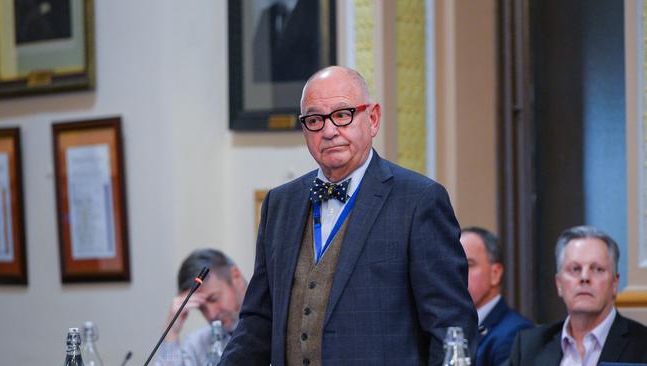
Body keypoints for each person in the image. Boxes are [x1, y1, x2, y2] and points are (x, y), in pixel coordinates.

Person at [220, 66, 477, 366]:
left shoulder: (419, 200)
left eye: (342, 114)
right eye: (315, 120)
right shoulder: (280, 204)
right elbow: (258, 321)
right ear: (304, 129)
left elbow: (450, 327)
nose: (329, 131)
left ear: (373, 119)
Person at [507, 225, 647, 365]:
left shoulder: (642, 346)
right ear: (559, 284)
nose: (584, 277)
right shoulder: (530, 347)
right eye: (575, 269)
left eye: (597, 269)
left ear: (615, 284)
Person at [156, 249, 247, 366]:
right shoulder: (197, 345)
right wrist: (171, 332)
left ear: (235, 276)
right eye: (201, 308)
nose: (211, 315)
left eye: (213, 298)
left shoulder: (274, 323)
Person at [460, 227, 533, 366]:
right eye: (455, 266)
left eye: (468, 265)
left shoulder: (516, 334)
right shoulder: (449, 327)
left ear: (495, 274)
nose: (458, 274)